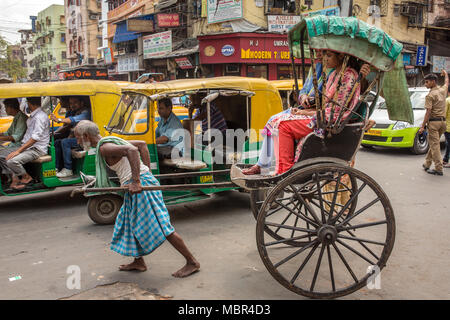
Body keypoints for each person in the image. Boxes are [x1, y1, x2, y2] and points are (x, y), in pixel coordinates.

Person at [73, 120, 200, 276]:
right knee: (129, 223)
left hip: (139, 187)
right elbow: (141, 145)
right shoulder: (109, 142)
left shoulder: (105, 147)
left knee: (163, 226)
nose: (77, 141)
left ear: (86, 135)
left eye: (78, 138)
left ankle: (192, 262)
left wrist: (137, 180)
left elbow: (133, 150)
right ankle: (139, 261)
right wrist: (145, 172)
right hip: (136, 185)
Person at [275, 51, 363, 174]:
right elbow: (325, 106)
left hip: (329, 122)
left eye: (329, 55)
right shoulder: (334, 74)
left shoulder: (348, 76)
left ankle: (285, 170)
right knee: (279, 119)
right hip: (322, 117)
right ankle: (279, 165)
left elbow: (334, 111)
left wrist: (306, 113)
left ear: (341, 56)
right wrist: (304, 112)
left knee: (284, 126)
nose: (325, 59)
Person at [242, 50, 326, 175]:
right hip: (306, 108)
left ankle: (283, 168)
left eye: (321, 52)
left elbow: (324, 100)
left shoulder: (330, 71)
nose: (318, 55)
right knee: (273, 120)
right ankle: (262, 163)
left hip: (316, 112)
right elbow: (305, 89)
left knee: (281, 124)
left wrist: (307, 107)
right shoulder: (316, 67)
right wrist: (303, 97)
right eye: (315, 51)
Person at [0, 97, 50, 190]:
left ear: (30, 103)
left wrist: (18, 151)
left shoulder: (39, 117)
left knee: (11, 160)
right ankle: (13, 178)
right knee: (4, 155)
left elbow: (34, 138)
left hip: (36, 149)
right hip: (27, 147)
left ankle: (25, 178)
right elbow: (10, 133)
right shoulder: (33, 116)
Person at [51, 96, 91, 178]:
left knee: (65, 142)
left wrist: (58, 120)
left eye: (75, 103)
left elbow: (73, 120)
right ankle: (57, 167)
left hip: (86, 141)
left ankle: (68, 169)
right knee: (57, 142)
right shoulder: (76, 111)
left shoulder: (86, 112)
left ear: (81, 103)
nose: (72, 105)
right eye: (71, 103)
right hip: (79, 139)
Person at [419, 70, 448, 176]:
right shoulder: (442, 90)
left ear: (433, 82)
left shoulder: (430, 95)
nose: (425, 84)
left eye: (427, 82)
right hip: (443, 123)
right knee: (434, 144)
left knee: (435, 146)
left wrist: (422, 126)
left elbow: (428, 112)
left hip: (434, 124)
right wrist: (446, 74)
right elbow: (447, 82)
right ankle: (427, 163)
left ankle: (438, 168)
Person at [442, 88, 450, 168]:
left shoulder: (447, 100)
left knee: (449, 144)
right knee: (448, 144)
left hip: (448, 127)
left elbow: (443, 115)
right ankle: (445, 159)